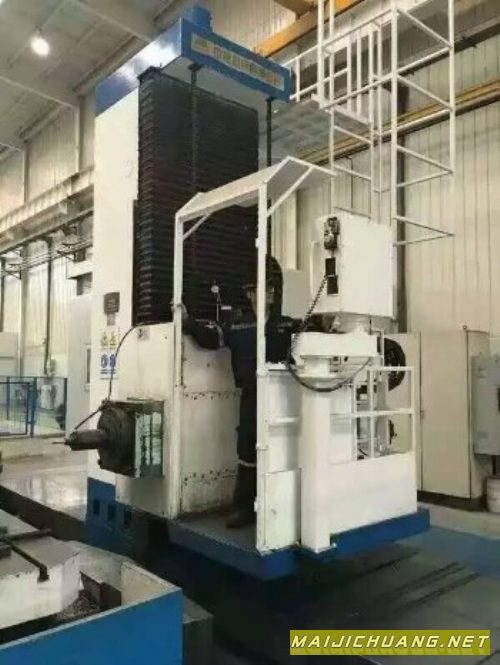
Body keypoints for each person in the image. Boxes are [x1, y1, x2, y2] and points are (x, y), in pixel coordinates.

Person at [184, 256, 296, 528]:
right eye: (263, 287)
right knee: (247, 449)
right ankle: (244, 509)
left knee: (283, 450)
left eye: (272, 287)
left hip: (283, 399)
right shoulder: (238, 325)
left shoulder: (287, 325)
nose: (269, 292)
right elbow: (212, 339)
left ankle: (280, 509)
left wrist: (326, 324)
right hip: (251, 397)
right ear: (250, 293)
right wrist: (188, 322)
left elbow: (310, 340)